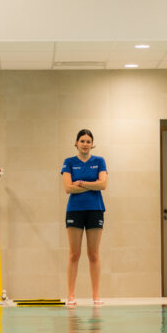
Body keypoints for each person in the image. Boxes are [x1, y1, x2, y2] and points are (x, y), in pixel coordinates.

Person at [61, 128, 108, 306]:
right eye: (82, 141)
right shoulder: (69, 162)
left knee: (93, 254)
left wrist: (81, 183)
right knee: (74, 254)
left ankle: (96, 296)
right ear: (76, 143)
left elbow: (103, 185)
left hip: (95, 209)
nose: (85, 144)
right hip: (75, 210)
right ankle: (71, 296)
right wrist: (92, 185)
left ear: (92, 144)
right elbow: (68, 188)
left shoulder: (100, 161)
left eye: (88, 141)